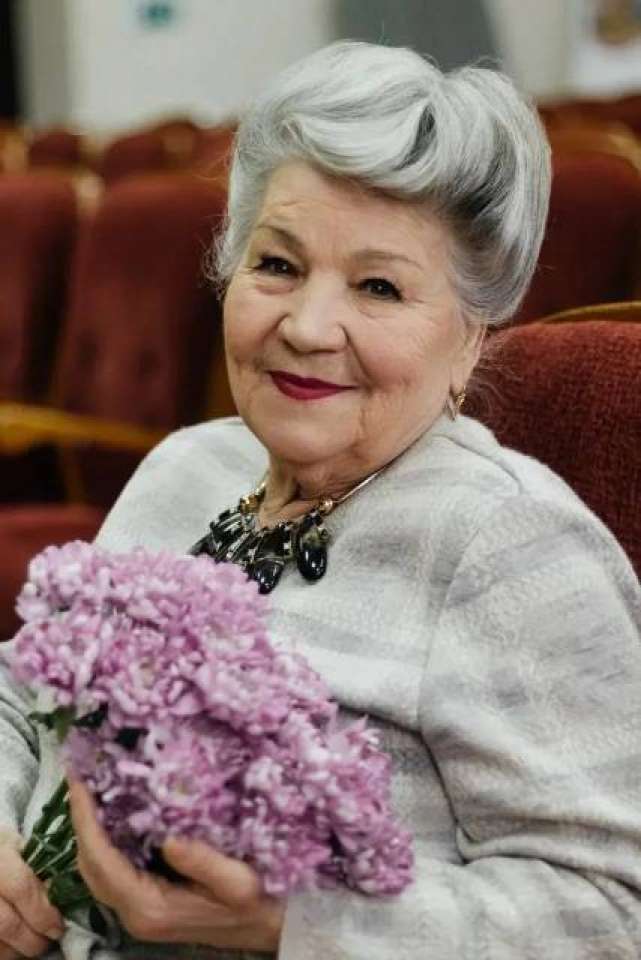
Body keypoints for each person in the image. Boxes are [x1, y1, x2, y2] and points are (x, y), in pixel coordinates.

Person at [1, 39, 641, 960]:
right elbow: (23, 695)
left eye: (378, 286)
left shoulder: (508, 547)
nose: (306, 327)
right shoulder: (186, 465)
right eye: (277, 265)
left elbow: (614, 909)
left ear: (470, 335)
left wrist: (295, 923)